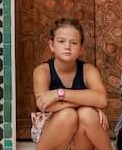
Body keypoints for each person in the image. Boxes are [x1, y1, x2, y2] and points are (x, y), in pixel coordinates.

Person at [30, 17, 112, 150]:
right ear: (52, 45)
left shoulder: (88, 70)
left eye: (73, 43)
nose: (67, 47)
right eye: (61, 41)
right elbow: (44, 104)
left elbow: (102, 100)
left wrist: (59, 94)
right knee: (69, 115)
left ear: (81, 48)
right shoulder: (42, 71)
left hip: (80, 137)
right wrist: (88, 101)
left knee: (87, 114)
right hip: (52, 133)